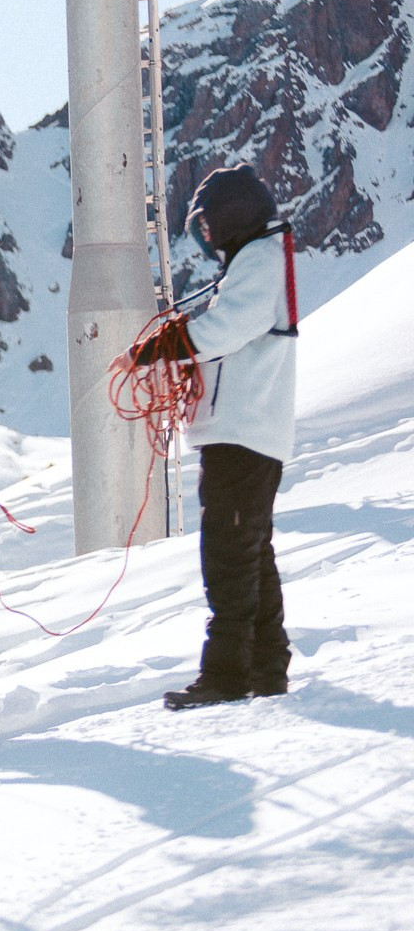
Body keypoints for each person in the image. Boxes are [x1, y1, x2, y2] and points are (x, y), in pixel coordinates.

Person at [118, 165, 297, 709]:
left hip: (242, 433)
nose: (206, 235)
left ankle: (225, 676)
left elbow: (228, 329)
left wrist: (161, 346)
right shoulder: (261, 258)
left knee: (228, 556)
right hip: (247, 432)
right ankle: (266, 668)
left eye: (208, 223)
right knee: (249, 551)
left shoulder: (261, 261)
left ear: (230, 218)